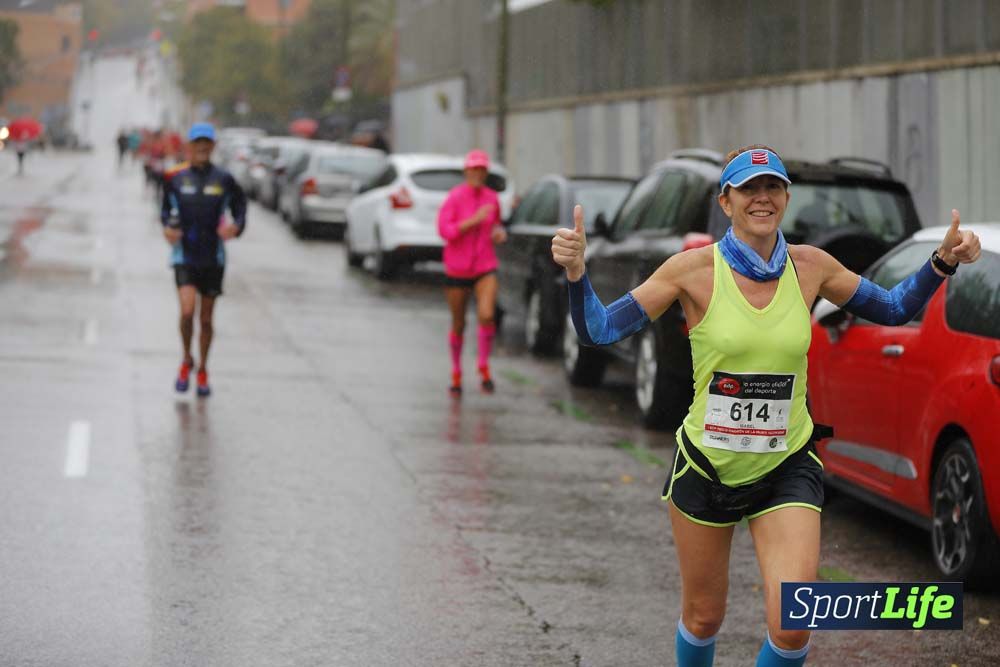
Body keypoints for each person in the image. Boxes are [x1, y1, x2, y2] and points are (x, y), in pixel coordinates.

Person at [551, 145, 982, 666]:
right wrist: (577, 275)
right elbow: (598, 329)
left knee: (794, 624)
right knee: (704, 617)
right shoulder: (691, 271)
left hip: (787, 464)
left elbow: (892, 307)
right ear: (726, 202)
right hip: (707, 466)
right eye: (748, 189)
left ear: (786, 198)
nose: (762, 198)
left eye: (772, 187)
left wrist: (942, 263)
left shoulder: (811, 267)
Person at [161, 122, 247, 397]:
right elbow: (165, 210)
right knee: (187, 312)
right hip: (184, 255)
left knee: (206, 320)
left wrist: (236, 227)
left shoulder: (224, 179)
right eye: (197, 142)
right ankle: (186, 358)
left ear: (213, 146)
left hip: (213, 257)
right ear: (189, 146)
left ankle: (203, 369)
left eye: (206, 143)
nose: (201, 147)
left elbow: (240, 208)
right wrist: (167, 227)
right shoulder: (175, 177)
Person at [437, 149, 507, 395]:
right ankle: (456, 372)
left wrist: (498, 233)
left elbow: (496, 224)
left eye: (482, 170)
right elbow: (445, 231)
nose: (477, 173)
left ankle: (483, 366)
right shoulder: (455, 198)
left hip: (485, 267)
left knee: (487, 315)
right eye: (473, 169)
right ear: (466, 171)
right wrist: (473, 221)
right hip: (457, 268)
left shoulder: (492, 198)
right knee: (459, 323)